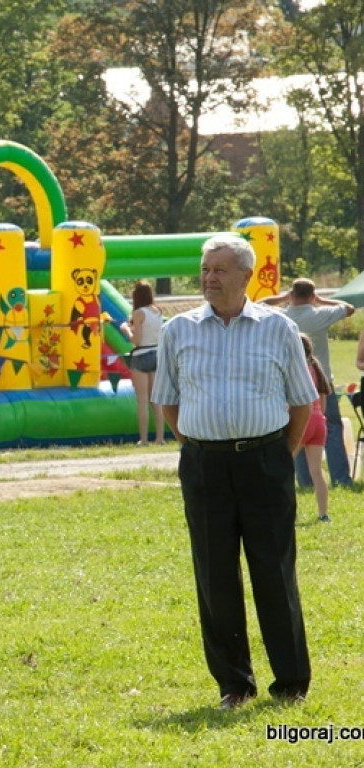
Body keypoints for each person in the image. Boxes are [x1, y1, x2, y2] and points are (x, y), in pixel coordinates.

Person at [152, 234, 316, 710]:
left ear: (247, 275)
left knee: (274, 571)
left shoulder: (278, 328)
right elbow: (167, 401)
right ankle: (234, 685)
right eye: (205, 269)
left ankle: (290, 683)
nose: (209, 278)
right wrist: (201, 447)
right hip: (204, 465)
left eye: (220, 270)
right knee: (214, 575)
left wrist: (278, 454)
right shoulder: (178, 330)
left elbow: (302, 401)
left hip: (265, 462)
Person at [262, 278, 355, 487]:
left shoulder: (283, 315)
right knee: (331, 428)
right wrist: (322, 300)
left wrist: (283, 297)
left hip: (292, 383)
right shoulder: (319, 315)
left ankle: (304, 480)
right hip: (322, 380)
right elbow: (349, 309)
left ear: (292, 294)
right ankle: (340, 478)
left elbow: (260, 304)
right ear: (312, 296)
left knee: (298, 428)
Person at [122, 280, 165, 446]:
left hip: (141, 355)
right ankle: (160, 438)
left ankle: (144, 439)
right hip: (156, 353)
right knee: (156, 400)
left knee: (142, 400)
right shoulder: (158, 311)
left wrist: (126, 329)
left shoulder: (138, 313)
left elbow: (137, 341)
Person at [297, 333, 331, 522]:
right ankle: (323, 513)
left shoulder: (299, 369)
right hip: (319, 420)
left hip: (303, 420)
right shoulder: (317, 368)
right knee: (317, 471)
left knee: (285, 468)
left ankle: (286, 512)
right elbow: (323, 402)